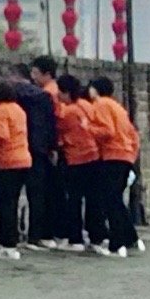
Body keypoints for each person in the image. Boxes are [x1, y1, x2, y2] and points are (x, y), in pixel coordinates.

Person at [87, 75, 142, 257]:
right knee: (115, 199)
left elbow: (107, 131)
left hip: (112, 155)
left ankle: (117, 243)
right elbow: (132, 134)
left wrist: (88, 127)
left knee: (111, 199)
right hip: (124, 155)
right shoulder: (117, 107)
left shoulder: (101, 104)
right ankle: (130, 237)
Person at [0, 76, 31, 262]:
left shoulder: (0, 110)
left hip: (7, 161)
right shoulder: (18, 110)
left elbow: (2, 134)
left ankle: (9, 245)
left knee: (5, 204)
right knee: (12, 202)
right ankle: (2, 241)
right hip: (23, 160)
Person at [16, 57, 62, 247]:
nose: (33, 77)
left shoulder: (47, 94)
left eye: (36, 73)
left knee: (40, 192)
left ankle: (40, 234)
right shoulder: (49, 92)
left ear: (47, 74)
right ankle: (46, 234)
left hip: (43, 148)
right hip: (48, 147)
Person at [55, 74, 102, 251]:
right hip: (93, 156)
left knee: (74, 200)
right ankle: (96, 236)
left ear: (66, 92)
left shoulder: (68, 112)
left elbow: (59, 131)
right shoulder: (86, 106)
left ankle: (75, 239)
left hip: (76, 158)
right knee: (93, 199)